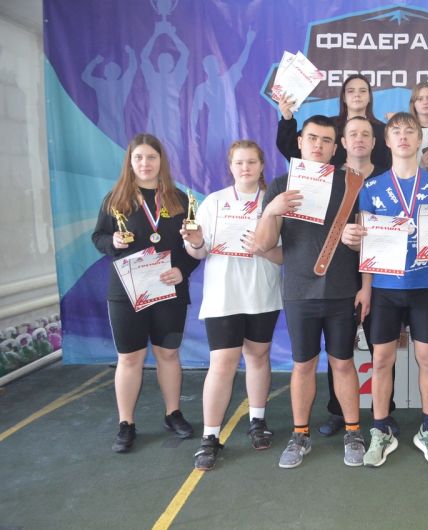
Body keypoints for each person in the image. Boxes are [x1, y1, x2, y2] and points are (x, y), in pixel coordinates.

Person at [342, 112, 428, 467]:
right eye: (396, 131)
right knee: (381, 360)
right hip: (384, 288)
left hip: (423, 286)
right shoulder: (371, 187)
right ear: (387, 141)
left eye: (410, 131)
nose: (402, 137)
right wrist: (365, 287)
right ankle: (380, 429)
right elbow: (365, 246)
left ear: (419, 140)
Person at [255, 115, 365, 469]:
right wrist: (272, 211)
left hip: (342, 289)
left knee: (343, 363)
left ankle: (353, 431)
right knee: (303, 365)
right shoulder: (280, 185)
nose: (319, 145)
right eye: (312, 138)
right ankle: (300, 434)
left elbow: (367, 241)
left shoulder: (351, 184)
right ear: (300, 142)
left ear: (335, 149)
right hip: (299, 290)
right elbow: (263, 244)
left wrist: (357, 242)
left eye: (326, 140)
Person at [91, 133, 200, 453]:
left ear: (161, 161)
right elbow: (98, 236)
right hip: (127, 291)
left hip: (168, 288)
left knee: (168, 354)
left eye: (151, 157)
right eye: (138, 157)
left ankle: (173, 413)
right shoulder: (116, 199)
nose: (145, 163)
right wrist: (113, 242)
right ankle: (126, 422)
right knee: (130, 357)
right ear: (130, 162)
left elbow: (193, 245)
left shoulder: (179, 200)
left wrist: (183, 270)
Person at [181, 140, 283, 471]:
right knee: (222, 363)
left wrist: (264, 249)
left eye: (251, 162)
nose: (245, 168)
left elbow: (284, 255)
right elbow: (199, 251)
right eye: (239, 162)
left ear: (262, 165)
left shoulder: (273, 203)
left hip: (261, 293)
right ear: (230, 166)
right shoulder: (213, 202)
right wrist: (195, 241)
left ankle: (257, 420)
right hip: (223, 295)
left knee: (258, 356)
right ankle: (210, 436)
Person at [316, 116, 399, 437]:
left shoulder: (387, 178)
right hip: (338, 276)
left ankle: (384, 411)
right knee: (339, 350)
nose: (360, 139)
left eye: (366, 134)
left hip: (380, 276)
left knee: (382, 349)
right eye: (353, 134)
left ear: (375, 142)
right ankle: (338, 411)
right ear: (343, 142)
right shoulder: (329, 179)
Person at [276, 74, 390, 169]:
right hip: (329, 187)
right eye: (351, 91)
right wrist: (287, 119)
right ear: (343, 97)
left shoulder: (384, 131)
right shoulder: (328, 127)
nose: (357, 95)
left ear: (369, 97)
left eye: (363, 91)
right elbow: (291, 148)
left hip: (373, 187)